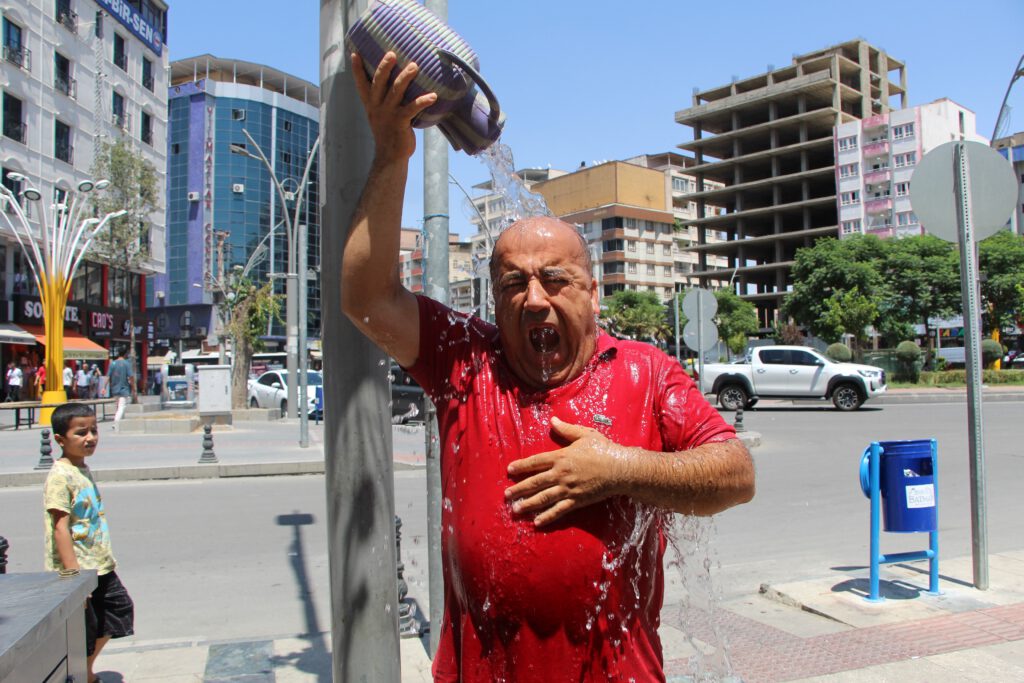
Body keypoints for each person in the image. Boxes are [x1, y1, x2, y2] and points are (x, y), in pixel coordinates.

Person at [341, 52, 756, 681]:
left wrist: (616, 468)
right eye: (513, 284)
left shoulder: (644, 373)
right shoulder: (465, 362)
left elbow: (735, 472)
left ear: (593, 295)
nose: (534, 298)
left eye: (554, 280)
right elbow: (367, 297)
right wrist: (392, 150)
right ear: (493, 297)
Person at [44, 403, 135, 683]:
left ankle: (83, 670)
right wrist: (75, 581)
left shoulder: (81, 468)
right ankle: (79, 674)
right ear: (60, 439)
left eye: (94, 431)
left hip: (100, 566)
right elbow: (60, 528)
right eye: (81, 433)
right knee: (84, 630)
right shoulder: (60, 475)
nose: (90, 438)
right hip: (78, 571)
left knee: (118, 611)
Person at [107, 352, 134, 428]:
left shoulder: (112, 363)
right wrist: (133, 387)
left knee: (118, 406)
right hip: (123, 389)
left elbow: (108, 376)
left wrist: (104, 387)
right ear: (125, 354)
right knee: (122, 406)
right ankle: (116, 423)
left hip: (114, 388)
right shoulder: (126, 363)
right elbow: (131, 376)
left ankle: (120, 422)